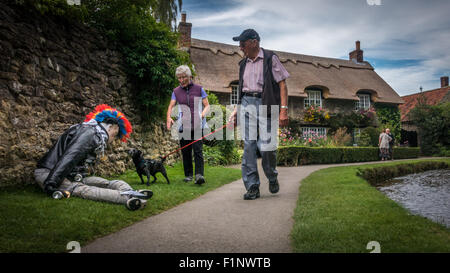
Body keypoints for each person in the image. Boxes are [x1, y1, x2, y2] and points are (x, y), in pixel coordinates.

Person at [34, 104, 152, 211]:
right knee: (82, 189)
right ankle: (128, 198)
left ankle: (133, 193)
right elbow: (70, 156)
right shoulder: (90, 133)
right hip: (49, 173)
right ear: (109, 127)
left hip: (67, 175)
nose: (112, 140)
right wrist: (51, 183)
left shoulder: (92, 132)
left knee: (105, 183)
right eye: (114, 135)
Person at [229, 29, 290, 200]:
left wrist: (283, 110)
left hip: (266, 105)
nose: (240, 47)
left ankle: (272, 176)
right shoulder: (242, 64)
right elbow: (241, 91)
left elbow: (283, 85)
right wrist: (236, 111)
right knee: (248, 146)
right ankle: (252, 186)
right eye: (239, 44)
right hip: (247, 104)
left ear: (254, 42)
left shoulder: (271, 58)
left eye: (243, 43)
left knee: (266, 147)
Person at [166, 65, 210, 185]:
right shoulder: (176, 91)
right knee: (185, 151)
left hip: (197, 125)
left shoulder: (199, 89)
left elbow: (207, 105)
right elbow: (171, 105)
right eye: (179, 78)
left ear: (189, 76)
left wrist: (202, 115)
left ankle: (199, 175)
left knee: (197, 150)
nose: (181, 80)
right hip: (183, 125)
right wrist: (169, 117)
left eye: (183, 77)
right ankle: (188, 175)